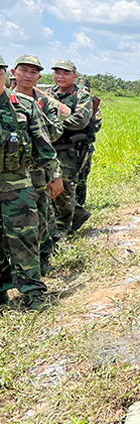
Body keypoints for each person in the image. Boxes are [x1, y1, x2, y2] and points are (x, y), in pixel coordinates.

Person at [0, 54, 63, 310]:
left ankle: (33, 294)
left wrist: (55, 175)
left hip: (17, 186)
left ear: (5, 74)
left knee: (24, 241)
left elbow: (44, 146)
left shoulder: (24, 105)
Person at [12, 55, 63, 275]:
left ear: (39, 77)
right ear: (14, 73)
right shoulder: (6, 101)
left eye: (33, 72)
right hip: (13, 171)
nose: (28, 75)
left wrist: (36, 119)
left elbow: (54, 133)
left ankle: (42, 260)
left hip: (38, 170)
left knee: (40, 216)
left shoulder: (46, 104)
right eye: (24, 70)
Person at [50, 60, 93, 237]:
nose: (61, 76)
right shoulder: (48, 93)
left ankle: (64, 229)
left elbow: (79, 121)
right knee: (48, 186)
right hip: (49, 147)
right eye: (57, 72)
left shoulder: (81, 96)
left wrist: (52, 123)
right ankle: (75, 215)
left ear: (74, 77)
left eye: (66, 73)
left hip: (70, 149)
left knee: (65, 188)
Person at [74, 77, 102, 210]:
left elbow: (97, 126)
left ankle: (79, 204)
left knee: (82, 177)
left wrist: (88, 122)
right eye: (79, 88)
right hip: (69, 146)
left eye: (84, 89)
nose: (82, 91)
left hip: (86, 146)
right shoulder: (71, 103)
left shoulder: (93, 106)